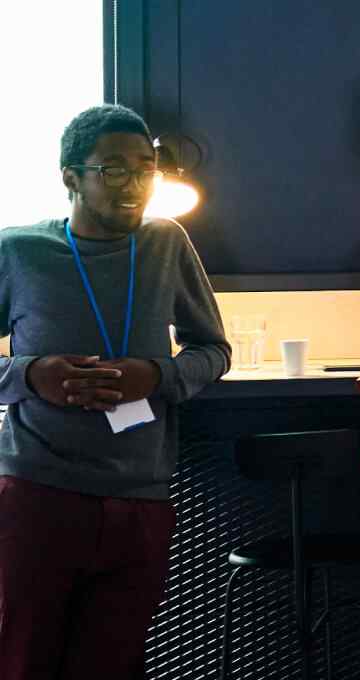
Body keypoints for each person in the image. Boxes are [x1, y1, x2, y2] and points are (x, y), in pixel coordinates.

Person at [0, 103, 230, 679]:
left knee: (114, 665)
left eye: (146, 169)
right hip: (37, 493)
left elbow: (214, 350)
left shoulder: (166, 243)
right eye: (114, 170)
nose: (135, 186)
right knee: (22, 660)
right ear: (70, 177)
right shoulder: (20, 251)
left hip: (141, 495)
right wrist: (29, 374)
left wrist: (157, 378)